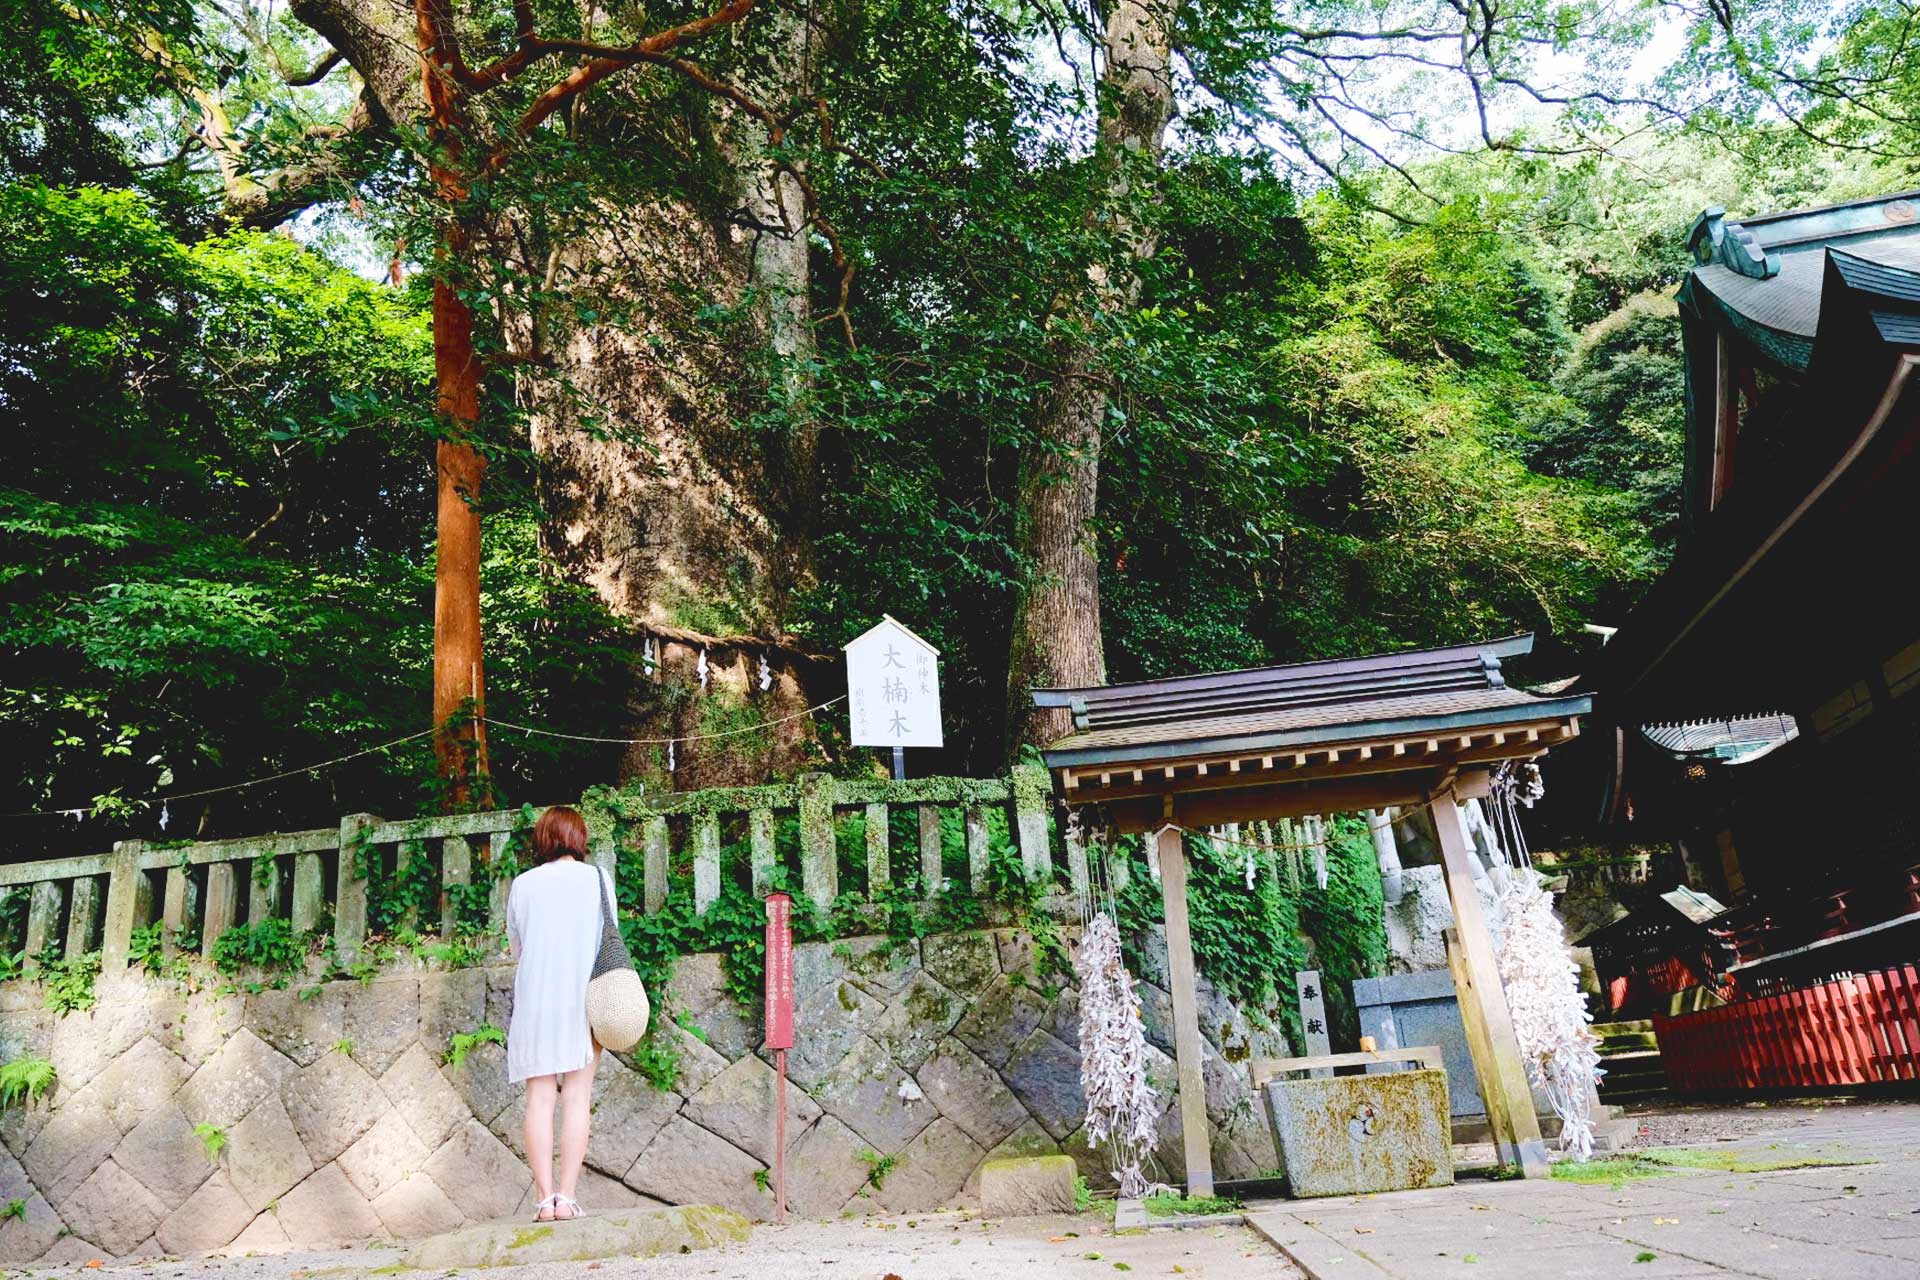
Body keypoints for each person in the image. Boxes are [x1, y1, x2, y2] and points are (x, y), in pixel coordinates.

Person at [506, 805, 610, 1222]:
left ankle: (543, 1199)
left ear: (543, 838)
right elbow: (609, 939)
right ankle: (566, 1198)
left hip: (535, 997)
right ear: (579, 838)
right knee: (578, 1096)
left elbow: (517, 946)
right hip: (582, 997)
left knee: (539, 1096)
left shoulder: (523, 884)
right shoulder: (597, 879)